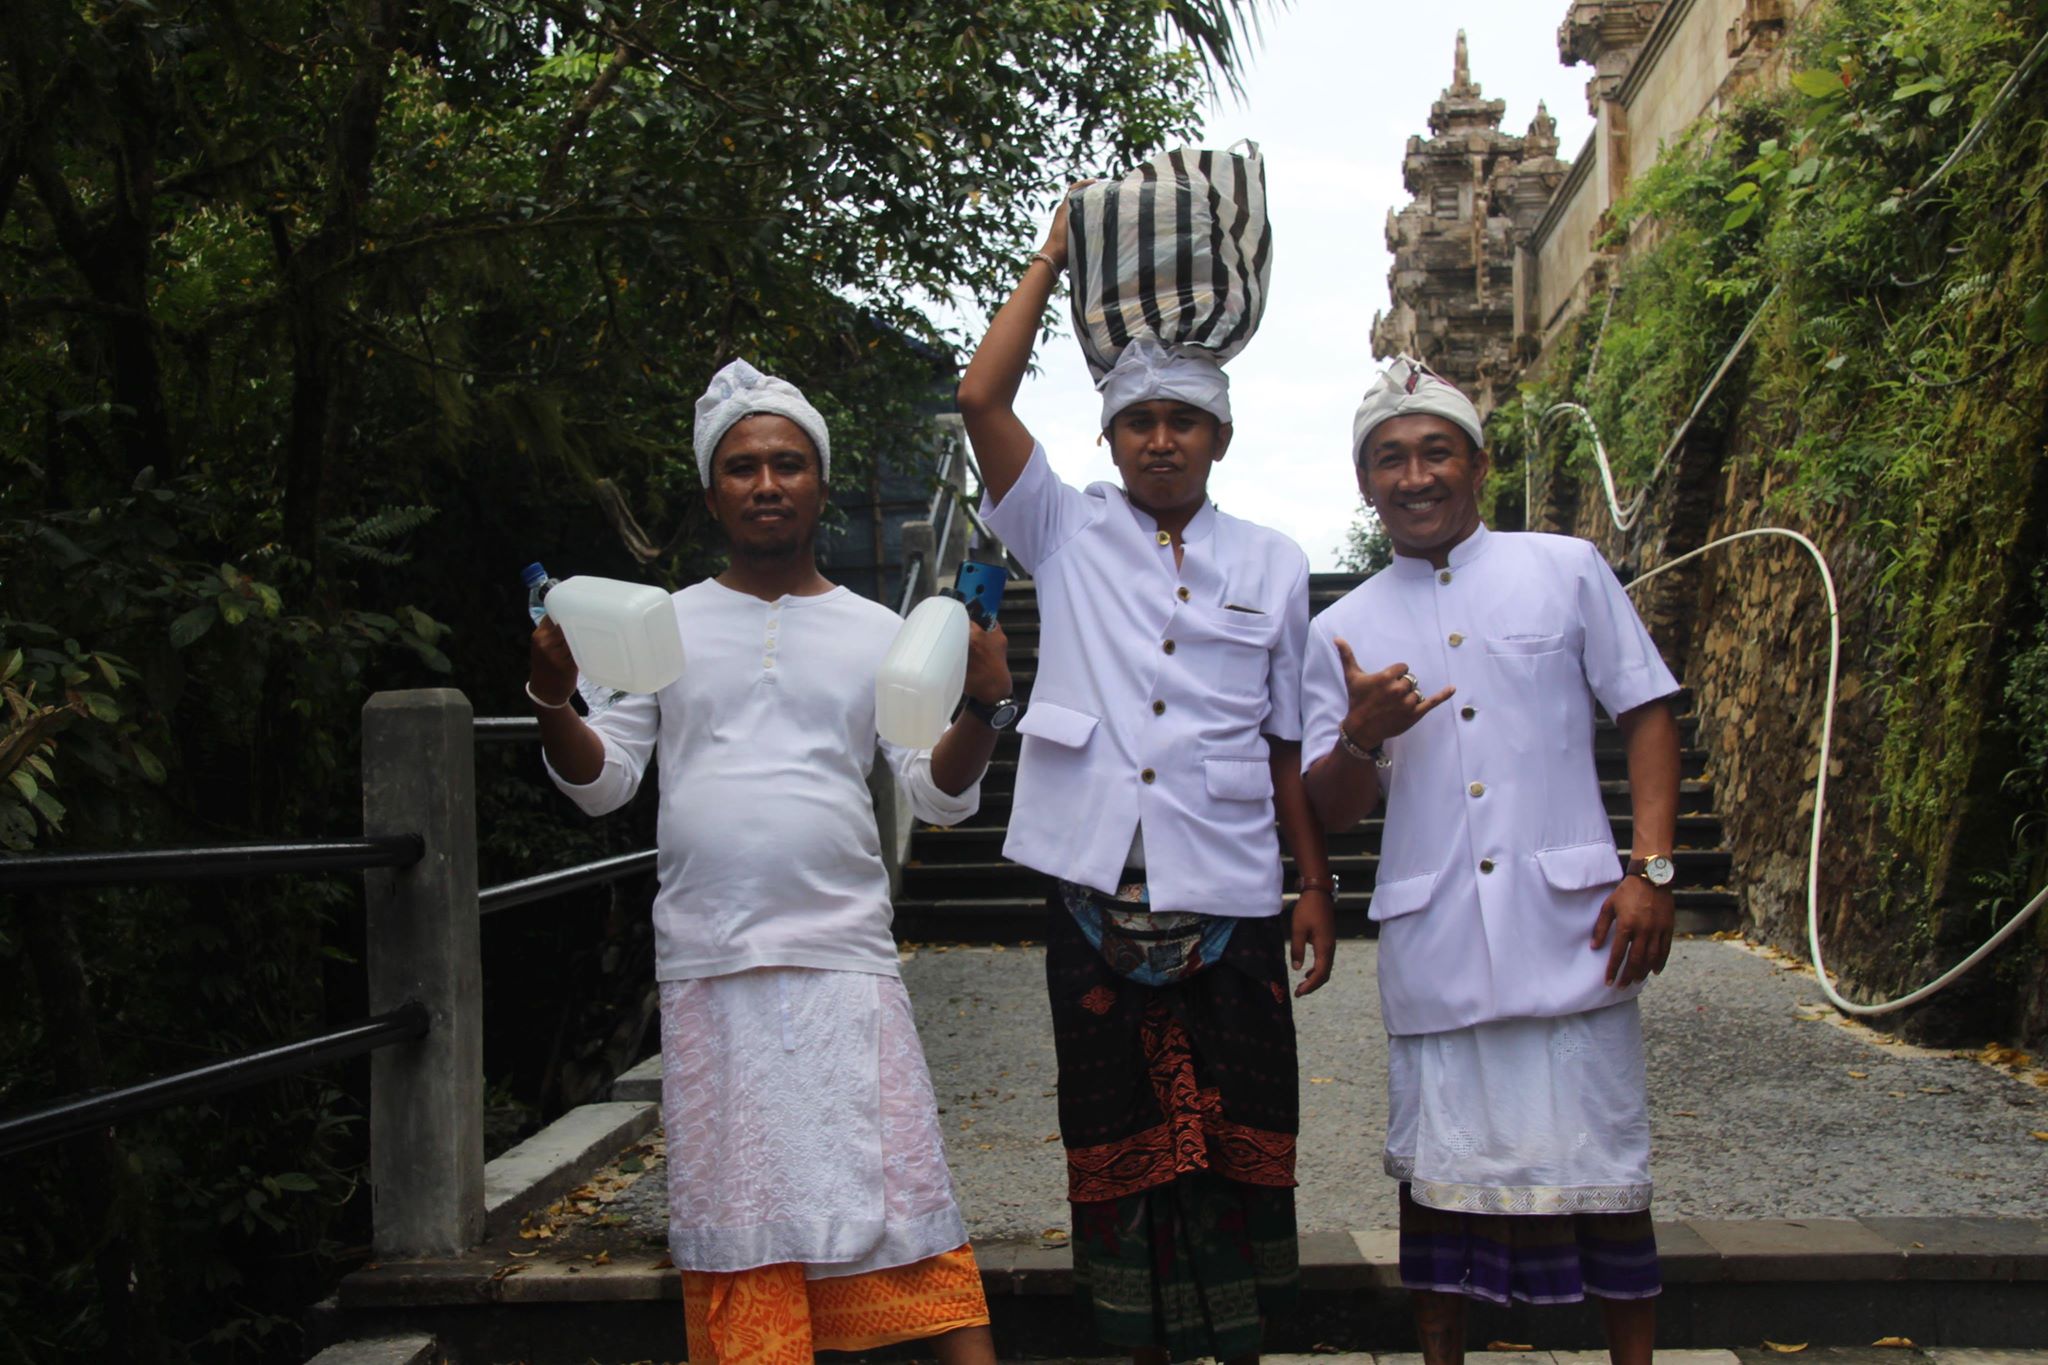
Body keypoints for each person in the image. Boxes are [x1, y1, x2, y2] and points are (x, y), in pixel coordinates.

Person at [528, 359, 1010, 1365]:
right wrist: (552, 702)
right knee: (741, 1226)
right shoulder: (659, 626)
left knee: (906, 1204)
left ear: (819, 486)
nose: (765, 483)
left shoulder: (880, 633)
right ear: (712, 491)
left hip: (844, 964)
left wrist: (980, 704)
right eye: (742, 467)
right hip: (711, 966)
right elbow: (605, 780)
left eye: (787, 464)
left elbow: (936, 792)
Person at [956, 189, 1336, 1365]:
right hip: (1088, 879)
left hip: (1224, 884)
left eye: (1183, 421)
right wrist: (1050, 255)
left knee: (1237, 1130)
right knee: (1112, 1127)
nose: (1159, 439)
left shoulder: (1272, 564)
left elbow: (1283, 742)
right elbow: (980, 397)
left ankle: (1233, 1338)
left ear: (1218, 439)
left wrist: (1312, 885)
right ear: (1111, 441)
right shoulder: (1063, 533)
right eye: (1138, 424)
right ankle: (1129, 1337)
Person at [1300, 358, 1683, 1365]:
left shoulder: (1563, 567)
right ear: (1363, 482)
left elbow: (1644, 709)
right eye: (1389, 459)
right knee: (1440, 1190)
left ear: (1478, 465)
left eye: (1434, 453)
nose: (1413, 476)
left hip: (1575, 929)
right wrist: (1359, 737)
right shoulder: (1339, 629)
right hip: (1439, 952)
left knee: (1602, 1174)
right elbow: (1330, 807)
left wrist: (1649, 869)